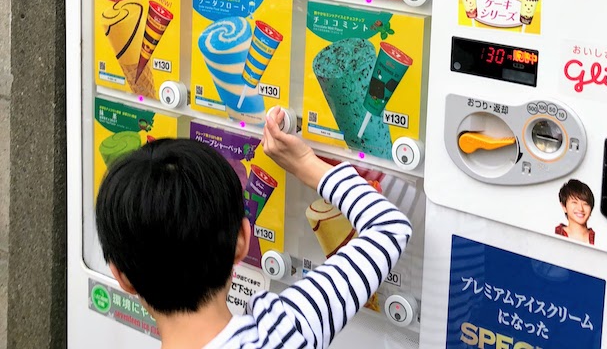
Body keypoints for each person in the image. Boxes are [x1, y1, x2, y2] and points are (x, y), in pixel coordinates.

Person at [95, 107, 413, 349]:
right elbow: (389, 227)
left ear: (122, 276)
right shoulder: (283, 330)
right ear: (242, 240)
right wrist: (307, 165)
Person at [554, 179, 595, 245]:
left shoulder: (599, 238)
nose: (581, 208)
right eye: (574, 202)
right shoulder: (555, 235)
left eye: (586, 204)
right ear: (564, 207)